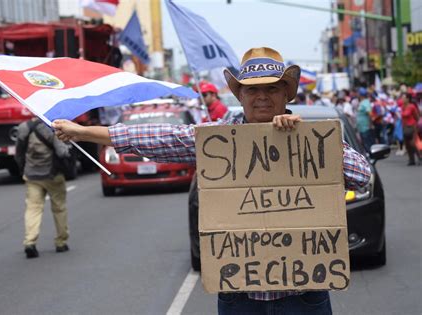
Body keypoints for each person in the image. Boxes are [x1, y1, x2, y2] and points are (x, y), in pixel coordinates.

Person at [52, 47, 371, 315]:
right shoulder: (217, 139)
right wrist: (81, 132)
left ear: (286, 93)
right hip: (240, 297)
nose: (262, 97)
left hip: (304, 295)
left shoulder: (312, 136)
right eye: (252, 89)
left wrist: (310, 141)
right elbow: (154, 138)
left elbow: (361, 176)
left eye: (272, 88)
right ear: (240, 95)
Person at [15, 117, 71, 259]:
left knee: (33, 209)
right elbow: (62, 152)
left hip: (32, 175)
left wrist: (23, 170)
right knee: (59, 208)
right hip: (53, 175)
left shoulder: (23, 127)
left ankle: (30, 242)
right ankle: (61, 242)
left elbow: (18, 153)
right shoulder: (53, 128)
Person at [400, 93, 420, 165]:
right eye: (402, 98)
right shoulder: (402, 107)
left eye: (404, 98)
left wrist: (416, 127)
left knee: (413, 144)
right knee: (407, 144)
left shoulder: (412, 106)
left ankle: (420, 158)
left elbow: (417, 117)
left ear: (408, 99)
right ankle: (411, 160)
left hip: (412, 127)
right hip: (405, 127)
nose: (403, 99)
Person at [355, 87, 374, 152]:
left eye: (358, 93)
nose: (357, 94)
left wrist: (370, 124)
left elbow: (370, 113)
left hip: (365, 127)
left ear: (360, 94)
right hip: (361, 128)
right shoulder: (362, 102)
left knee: (367, 144)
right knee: (364, 144)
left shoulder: (366, 102)